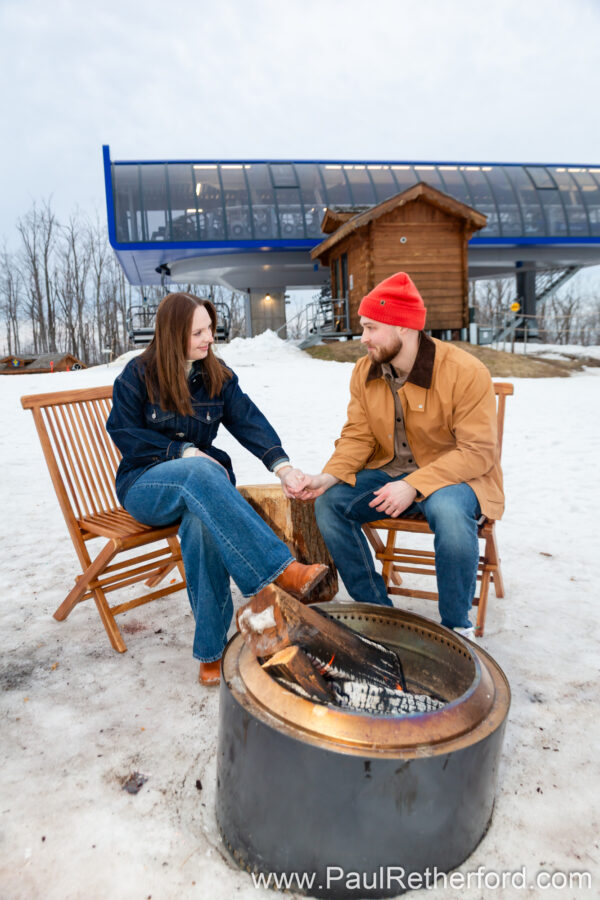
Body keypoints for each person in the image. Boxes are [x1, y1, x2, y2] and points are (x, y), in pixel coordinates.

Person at [106, 292, 327, 684]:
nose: (209, 338)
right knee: (205, 473)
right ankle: (281, 570)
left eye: (210, 328)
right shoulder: (137, 375)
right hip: (145, 485)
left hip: (201, 492)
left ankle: (210, 652)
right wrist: (184, 452)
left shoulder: (215, 373)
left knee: (201, 525)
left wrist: (283, 467)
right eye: (198, 332)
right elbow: (124, 434)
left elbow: (247, 419)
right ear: (173, 335)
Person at [290, 272, 505, 639]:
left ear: (403, 327)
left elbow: (478, 452)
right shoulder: (365, 371)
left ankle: (456, 627)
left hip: (455, 479)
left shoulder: (465, 372)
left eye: (371, 328)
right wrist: (328, 477)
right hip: (390, 473)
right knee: (330, 504)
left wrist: (414, 485)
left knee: (450, 514)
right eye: (363, 327)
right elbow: (358, 436)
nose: (363, 338)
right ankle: (379, 615)